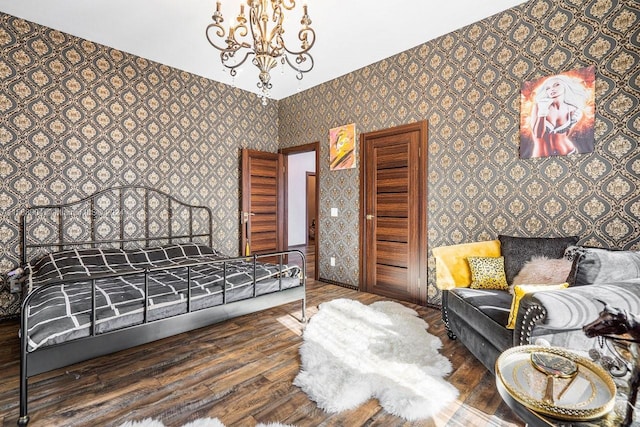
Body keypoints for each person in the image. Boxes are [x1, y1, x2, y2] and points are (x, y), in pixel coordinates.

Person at [529, 74, 588, 157]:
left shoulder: (573, 111)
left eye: (556, 85)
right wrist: (542, 112)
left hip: (569, 152)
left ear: (565, 86)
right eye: (548, 88)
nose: (552, 89)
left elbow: (566, 134)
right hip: (541, 155)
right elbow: (538, 135)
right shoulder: (539, 106)